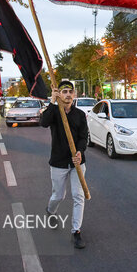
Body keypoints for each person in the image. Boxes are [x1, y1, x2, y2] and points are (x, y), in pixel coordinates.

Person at [41, 81, 88, 249]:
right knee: (58, 195)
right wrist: (52, 102)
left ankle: (76, 232)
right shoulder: (54, 112)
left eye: (70, 91)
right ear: (59, 94)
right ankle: (50, 210)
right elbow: (44, 122)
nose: (68, 94)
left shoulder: (80, 115)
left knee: (78, 196)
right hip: (59, 162)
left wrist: (80, 151)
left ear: (74, 94)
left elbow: (84, 137)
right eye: (64, 91)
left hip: (77, 162)